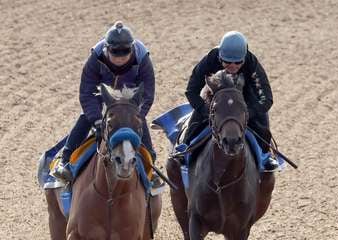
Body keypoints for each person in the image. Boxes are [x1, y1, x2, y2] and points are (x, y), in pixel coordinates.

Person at [53, 21, 161, 183]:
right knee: (85, 117)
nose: (120, 57)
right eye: (115, 53)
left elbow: (147, 94)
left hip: (130, 100)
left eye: (124, 53)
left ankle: (151, 166)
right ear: (106, 49)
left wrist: (137, 115)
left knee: (139, 122)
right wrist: (97, 122)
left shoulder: (143, 58)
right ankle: (65, 161)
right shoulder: (95, 58)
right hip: (102, 97)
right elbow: (87, 94)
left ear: (131, 49)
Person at [183, 31, 279, 172]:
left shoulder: (252, 62)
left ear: (244, 58)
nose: (232, 66)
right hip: (216, 95)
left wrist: (247, 113)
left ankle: (265, 154)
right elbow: (191, 91)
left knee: (261, 119)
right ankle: (186, 146)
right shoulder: (210, 59)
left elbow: (266, 99)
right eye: (227, 62)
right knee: (197, 117)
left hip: (245, 96)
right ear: (220, 57)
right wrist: (206, 111)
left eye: (238, 62)